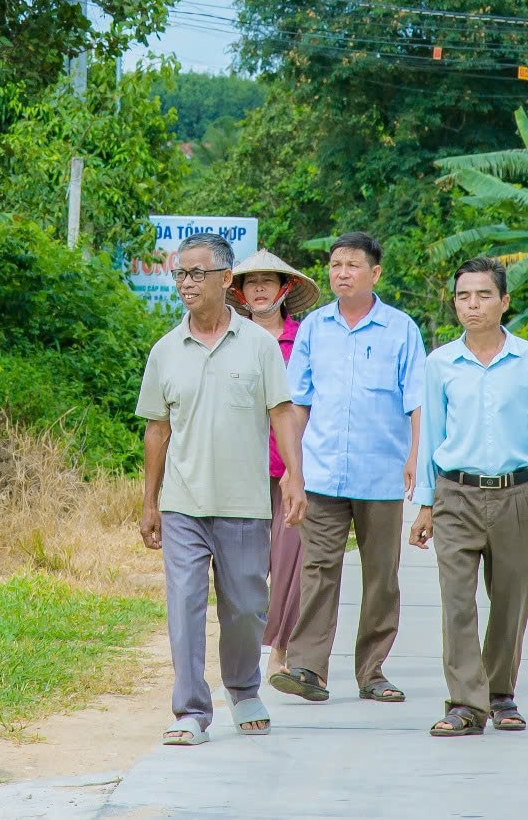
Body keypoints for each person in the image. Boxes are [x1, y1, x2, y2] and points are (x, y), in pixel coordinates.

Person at [137, 232, 307, 746]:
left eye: (196, 273)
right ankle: (190, 709)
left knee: (244, 608)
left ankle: (243, 688)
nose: (186, 283)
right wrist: (150, 503)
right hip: (183, 503)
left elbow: (281, 413)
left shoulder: (258, 346)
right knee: (184, 604)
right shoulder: (166, 351)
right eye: (180, 274)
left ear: (224, 279)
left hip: (244, 502)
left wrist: (294, 477)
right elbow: (156, 430)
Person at [410, 255, 528, 737]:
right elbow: (431, 437)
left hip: (515, 495)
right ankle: (465, 703)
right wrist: (425, 503)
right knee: (457, 602)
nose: (472, 305)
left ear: (505, 301)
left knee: (510, 600)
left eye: (483, 295)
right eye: (463, 296)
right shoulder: (440, 363)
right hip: (455, 495)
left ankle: (500, 694)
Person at [268, 231, 426, 706]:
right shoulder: (314, 328)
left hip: (380, 475)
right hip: (321, 474)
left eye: (352, 265)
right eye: (335, 265)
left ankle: (372, 671)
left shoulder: (401, 329)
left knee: (381, 574)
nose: (341, 273)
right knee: (317, 568)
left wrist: (417, 457)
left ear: (374, 274)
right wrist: (293, 470)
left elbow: (417, 402)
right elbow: (297, 404)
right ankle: (308, 667)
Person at [230, 247, 320, 669]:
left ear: (285, 289)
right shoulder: (229, 337)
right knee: (246, 566)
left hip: (290, 468)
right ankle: (244, 644)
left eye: (269, 281)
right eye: (252, 283)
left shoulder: (305, 339)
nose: (261, 289)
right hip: (241, 469)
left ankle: (279, 648)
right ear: (241, 293)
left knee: (289, 563)